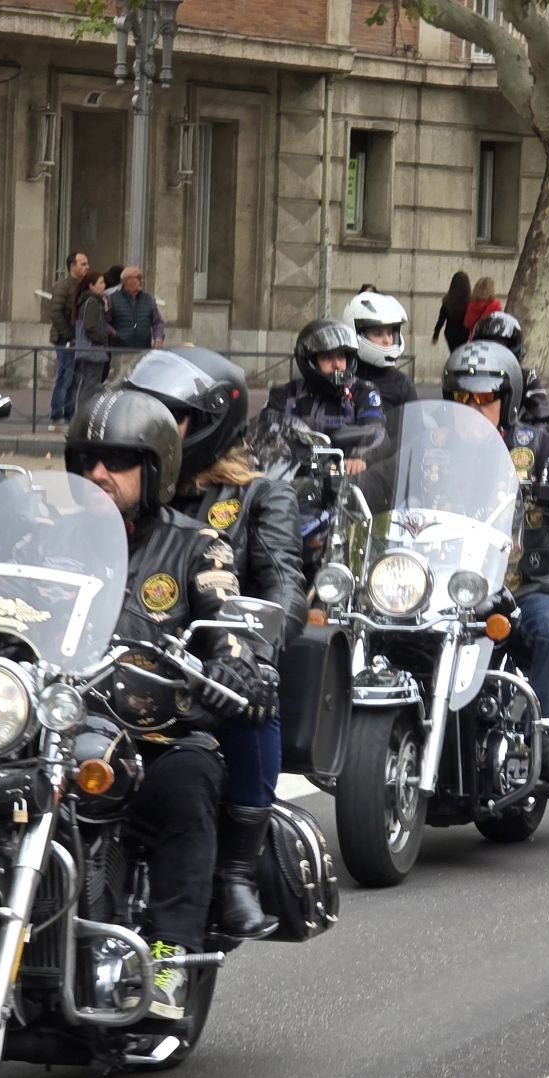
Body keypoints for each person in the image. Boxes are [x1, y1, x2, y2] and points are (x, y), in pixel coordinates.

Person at [65, 387, 277, 1020]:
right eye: (87, 461)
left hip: (156, 739)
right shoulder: (51, 540)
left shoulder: (196, 547)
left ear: (154, 468)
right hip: (58, 725)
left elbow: (225, 613)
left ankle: (167, 959)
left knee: (187, 788)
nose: (98, 474)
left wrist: (235, 659)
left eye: (117, 461)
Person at [128, 347, 306, 941]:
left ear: (207, 426)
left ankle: (235, 871)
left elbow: (283, 578)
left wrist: (252, 655)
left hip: (212, 665)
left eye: (169, 416)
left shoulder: (258, 497)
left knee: (256, 697)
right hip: (121, 660)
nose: (151, 427)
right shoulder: (129, 485)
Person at [440, 341, 549, 784]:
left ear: (508, 403)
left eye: (485, 399)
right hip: (443, 589)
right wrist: (351, 474)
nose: (474, 407)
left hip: (518, 588)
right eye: (464, 398)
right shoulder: (434, 447)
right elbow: (381, 474)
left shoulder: (534, 445)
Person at [264, 320, 385, 465]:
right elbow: (265, 432)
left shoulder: (364, 391)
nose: (337, 365)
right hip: (294, 475)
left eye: (341, 357)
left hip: (345, 476)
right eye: (327, 358)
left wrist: (361, 456)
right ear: (310, 362)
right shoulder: (285, 395)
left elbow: (376, 430)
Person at [469, 309, 549, 424]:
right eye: (485, 346)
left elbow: (540, 408)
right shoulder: (469, 377)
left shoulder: (526, 377)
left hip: (512, 438)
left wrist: (532, 421)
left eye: (498, 348)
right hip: (475, 435)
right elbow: (452, 409)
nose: (491, 353)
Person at [343, 287, 416, 407]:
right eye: (378, 334)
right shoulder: (344, 380)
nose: (387, 340)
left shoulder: (402, 384)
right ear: (355, 333)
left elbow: (416, 423)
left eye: (390, 333)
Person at [48, 251, 90, 432]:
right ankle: (57, 417)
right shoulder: (62, 286)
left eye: (87, 264)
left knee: (75, 380)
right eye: (83, 264)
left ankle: (70, 415)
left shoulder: (84, 287)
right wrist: (68, 336)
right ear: (72, 266)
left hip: (79, 339)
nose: (87, 267)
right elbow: (56, 312)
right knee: (64, 378)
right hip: (65, 340)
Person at [73, 269, 114, 409]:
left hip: (91, 350)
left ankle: (82, 415)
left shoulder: (94, 302)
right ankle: (84, 416)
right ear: (91, 285)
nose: (104, 286)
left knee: (88, 384)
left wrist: (106, 309)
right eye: (101, 283)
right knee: (91, 385)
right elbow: (90, 327)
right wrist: (102, 339)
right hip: (93, 351)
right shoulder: (91, 303)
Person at [109, 266, 165, 352]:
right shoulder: (112, 299)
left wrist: (158, 338)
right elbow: (103, 323)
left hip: (143, 351)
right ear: (127, 280)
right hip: (119, 351)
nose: (142, 281)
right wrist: (115, 334)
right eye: (138, 278)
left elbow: (157, 322)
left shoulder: (148, 299)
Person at [433, 270, 472, 352]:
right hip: (465, 334)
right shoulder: (470, 302)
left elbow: (441, 320)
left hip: (450, 334)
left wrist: (435, 335)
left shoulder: (447, 302)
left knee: (454, 353)